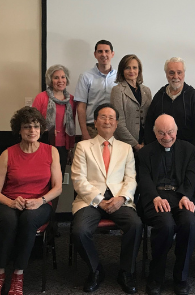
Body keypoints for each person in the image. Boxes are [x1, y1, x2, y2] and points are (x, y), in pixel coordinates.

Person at [0, 107, 63, 295]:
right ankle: (0, 273)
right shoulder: (8, 153)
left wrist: (41, 200)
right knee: (10, 221)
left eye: (36, 126)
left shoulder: (51, 152)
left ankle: (18, 274)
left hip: (39, 203)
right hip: (8, 202)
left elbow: (58, 187)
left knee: (28, 220)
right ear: (19, 130)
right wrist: (11, 203)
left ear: (41, 129)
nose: (32, 131)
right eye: (27, 126)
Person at [71, 104, 142, 293]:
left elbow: (131, 178)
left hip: (118, 198)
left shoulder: (126, 148)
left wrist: (122, 198)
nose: (107, 121)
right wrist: (99, 200)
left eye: (111, 118)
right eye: (103, 117)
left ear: (117, 123)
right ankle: (95, 270)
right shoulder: (83, 146)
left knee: (135, 225)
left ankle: (126, 271)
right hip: (90, 200)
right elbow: (78, 179)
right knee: (79, 231)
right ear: (95, 121)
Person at [137, 115, 195, 295]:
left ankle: (181, 278)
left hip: (181, 196)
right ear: (154, 133)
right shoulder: (145, 152)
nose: (166, 137)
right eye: (161, 133)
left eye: (170, 132)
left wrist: (185, 196)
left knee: (190, 223)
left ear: (176, 130)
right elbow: (144, 179)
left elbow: (191, 177)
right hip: (155, 197)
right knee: (165, 225)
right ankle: (155, 276)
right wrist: (155, 197)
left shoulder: (188, 149)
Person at [144, 57, 195, 158]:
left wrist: (194, 154)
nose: (176, 76)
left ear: (184, 74)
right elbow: (149, 124)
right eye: (171, 73)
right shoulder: (160, 96)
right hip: (160, 153)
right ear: (166, 74)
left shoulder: (193, 97)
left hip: (187, 154)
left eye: (179, 72)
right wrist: (151, 150)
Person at [32, 64, 76, 172]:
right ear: (50, 80)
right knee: (44, 177)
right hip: (45, 144)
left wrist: (70, 148)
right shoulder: (41, 97)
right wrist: (47, 130)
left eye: (63, 77)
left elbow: (72, 123)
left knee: (58, 179)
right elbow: (33, 121)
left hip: (64, 146)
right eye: (56, 77)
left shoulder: (71, 100)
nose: (60, 80)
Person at [75, 40, 117, 140]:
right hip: (92, 128)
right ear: (95, 54)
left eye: (107, 51)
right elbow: (81, 107)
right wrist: (84, 133)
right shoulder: (86, 77)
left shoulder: (120, 77)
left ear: (112, 54)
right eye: (100, 51)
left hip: (114, 128)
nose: (103, 54)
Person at [110, 54, 152, 151]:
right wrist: (135, 145)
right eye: (127, 68)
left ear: (139, 70)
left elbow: (150, 117)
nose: (132, 71)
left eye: (134, 68)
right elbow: (119, 122)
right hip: (125, 144)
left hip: (146, 143)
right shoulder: (117, 90)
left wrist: (146, 141)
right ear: (122, 71)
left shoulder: (147, 91)